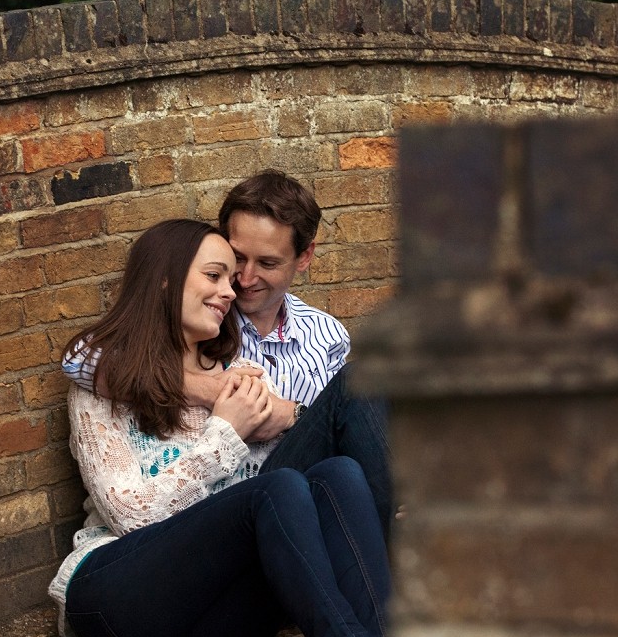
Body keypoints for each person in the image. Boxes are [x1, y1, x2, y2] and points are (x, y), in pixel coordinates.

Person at [48, 219, 397, 637]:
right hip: (121, 601)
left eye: (230, 280)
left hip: (211, 629)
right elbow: (130, 515)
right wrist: (225, 433)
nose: (229, 291)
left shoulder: (235, 372)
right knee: (275, 489)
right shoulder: (105, 377)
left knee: (337, 473)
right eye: (215, 275)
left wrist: (276, 416)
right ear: (166, 281)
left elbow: (287, 489)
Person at [65, 170, 395, 535]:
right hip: (242, 501)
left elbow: (342, 433)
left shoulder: (327, 334)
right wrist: (205, 388)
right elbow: (79, 360)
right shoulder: (206, 318)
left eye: (267, 264)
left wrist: (291, 414)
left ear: (304, 258)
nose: (244, 279)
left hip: (304, 488)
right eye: (238, 259)